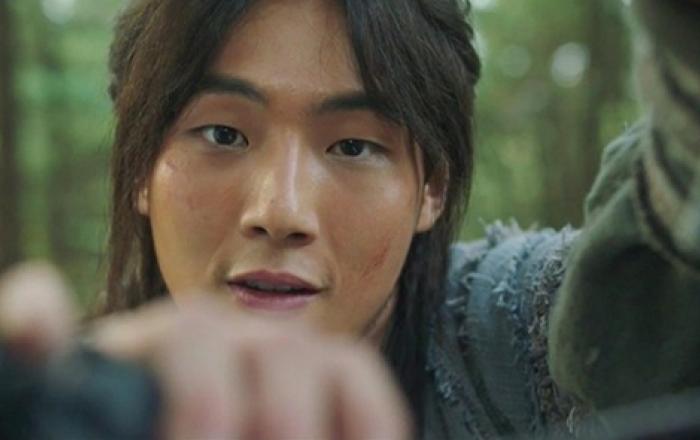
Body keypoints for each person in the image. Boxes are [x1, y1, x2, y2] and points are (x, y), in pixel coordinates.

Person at [1, 0, 699, 438]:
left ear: (432, 188)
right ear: (140, 171)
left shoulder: (518, 336)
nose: (281, 211)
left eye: (354, 146)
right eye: (222, 134)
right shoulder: (61, 397)